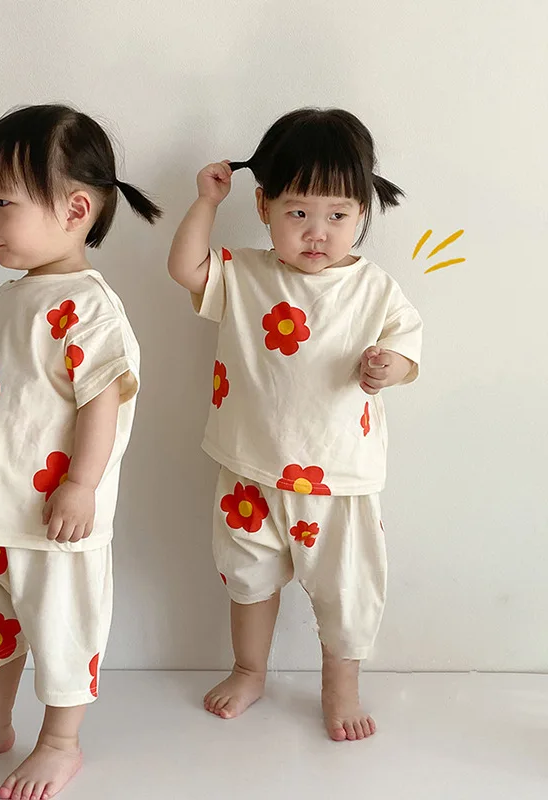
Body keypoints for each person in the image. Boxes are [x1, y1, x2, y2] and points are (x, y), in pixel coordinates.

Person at [0, 104, 160, 799]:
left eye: (4, 202)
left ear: (76, 208)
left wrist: (82, 484)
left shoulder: (89, 305)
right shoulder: (8, 297)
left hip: (51, 516)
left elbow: (100, 399)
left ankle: (59, 742)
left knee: (60, 628)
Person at [167, 108, 422, 741]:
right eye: (298, 212)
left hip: (338, 479)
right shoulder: (246, 273)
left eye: (337, 215)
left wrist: (388, 367)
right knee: (247, 578)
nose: (316, 232)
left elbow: (407, 352)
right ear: (263, 206)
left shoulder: (375, 289)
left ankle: (341, 686)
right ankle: (249, 669)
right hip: (249, 466)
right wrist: (206, 202)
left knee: (345, 590)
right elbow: (185, 269)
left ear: (362, 212)